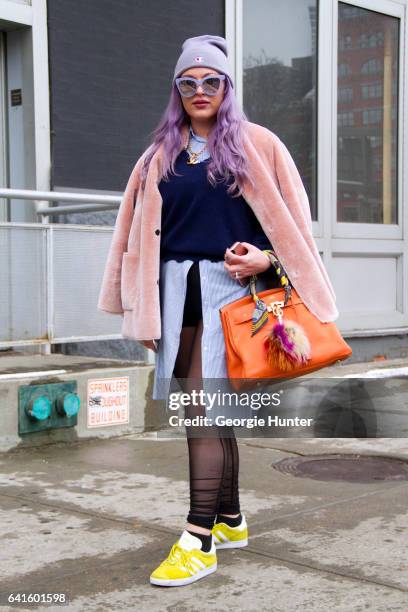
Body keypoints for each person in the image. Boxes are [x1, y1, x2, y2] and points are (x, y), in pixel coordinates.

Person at [97, 34, 338, 587]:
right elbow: (131, 236)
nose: (200, 91)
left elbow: (298, 232)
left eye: (211, 82)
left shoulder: (261, 145)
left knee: (204, 416)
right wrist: (137, 305)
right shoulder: (159, 154)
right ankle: (228, 519)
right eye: (189, 83)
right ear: (176, 91)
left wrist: (266, 259)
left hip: (231, 297)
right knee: (207, 412)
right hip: (176, 293)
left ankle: (197, 538)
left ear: (228, 88)